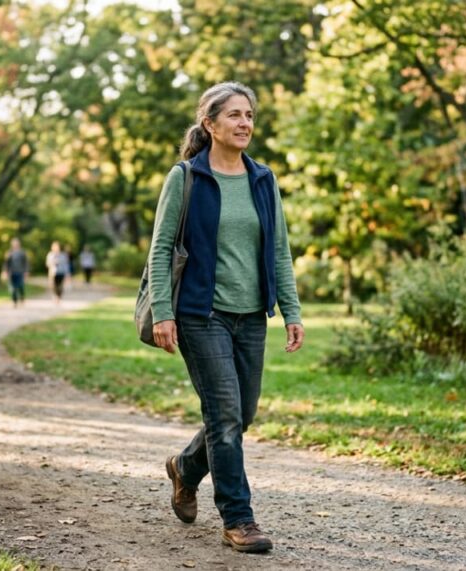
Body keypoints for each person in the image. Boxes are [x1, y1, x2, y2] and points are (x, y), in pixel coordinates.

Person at [148, 82, 304, 553]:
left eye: (250, 115)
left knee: (242, 413)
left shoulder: (263, 179)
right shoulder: (186, 177)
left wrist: (292, 310)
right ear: (209, 124)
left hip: (251, 314)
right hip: (201, 313)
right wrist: (163, 311)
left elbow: (278, 249)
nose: (245, 124)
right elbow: (160, 249)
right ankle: (239, 519)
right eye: (234, 115)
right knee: (226, 415)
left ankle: (185, 467)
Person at [2, 238, 29, 307]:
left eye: (16, 243)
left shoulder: (22, 252)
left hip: (20, 272)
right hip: (12, 273)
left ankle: (22, 297)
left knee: (20, 286)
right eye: (14, 244)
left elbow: (26, 263)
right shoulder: (9, 252)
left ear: (19, 244)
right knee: (13, 288)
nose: (15, 245)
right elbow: (6, 263)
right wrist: (5, 271)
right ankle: (14, 301)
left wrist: (26, 271)